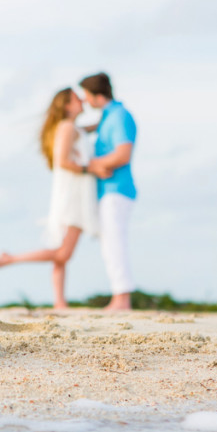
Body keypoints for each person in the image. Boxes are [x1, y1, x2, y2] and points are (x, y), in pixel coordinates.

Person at [0, 88, 100, 309]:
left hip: (71, 192)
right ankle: (10, 258)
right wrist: (91, 169)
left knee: (60, 253)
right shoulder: (67, 127)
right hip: (74, 195)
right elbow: (63, 160)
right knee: (63, 253)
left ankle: (59, 301)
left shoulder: (71, 127)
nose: (83, 100)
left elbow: (85, 130)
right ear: (67, 105)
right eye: (78, 99)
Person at [82, 72, 136, 311]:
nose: (85, 101)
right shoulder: (107, 117)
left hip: (117, 190)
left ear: (96, 95)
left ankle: (122, 299)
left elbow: (124, 154)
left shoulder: (120, 116)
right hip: (108, 191)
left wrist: (92, 166)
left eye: (86, 96)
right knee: (109, 243)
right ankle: (119, 296)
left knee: (115, 242)